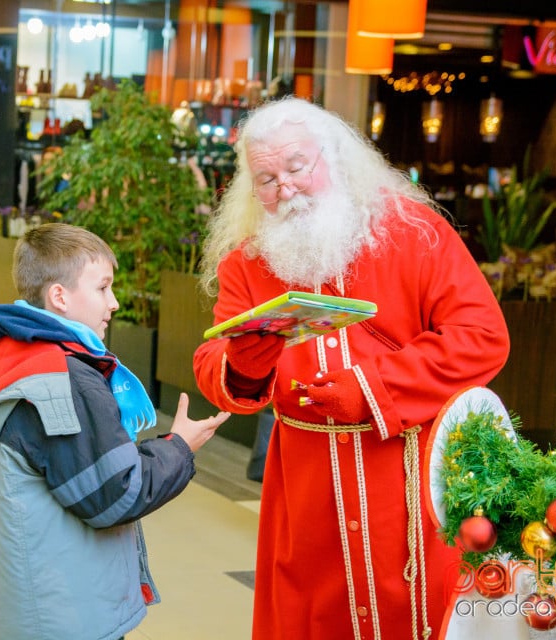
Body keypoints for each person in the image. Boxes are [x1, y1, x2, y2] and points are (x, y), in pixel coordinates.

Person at [192, 97, 510, 639]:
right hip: (306, 489)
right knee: (314, 615)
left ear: (335, 158)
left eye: (296, 168)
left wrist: (372, 386)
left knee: (418, 614)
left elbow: (482, 337)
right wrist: (243, 363)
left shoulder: (415, 233)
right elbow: (216, 367)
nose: (283, 189)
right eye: (265, 179)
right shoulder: (246, 261)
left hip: (409, 480)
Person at [0, 222, 230, 640]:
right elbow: (115, 494)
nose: (114, 302)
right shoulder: (62, 378)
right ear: (60, 296)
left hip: (24, 607)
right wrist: (179, 447)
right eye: (103, 287)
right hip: (64, 618)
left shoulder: (12, 355)